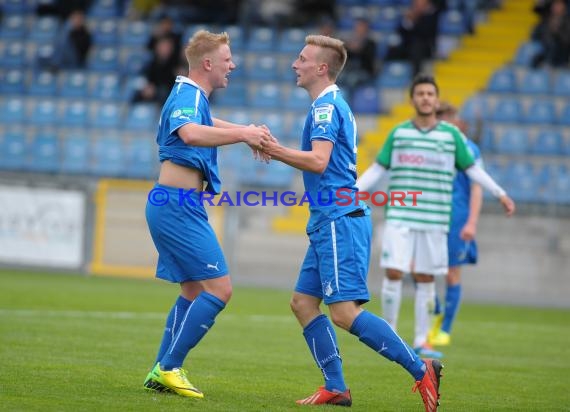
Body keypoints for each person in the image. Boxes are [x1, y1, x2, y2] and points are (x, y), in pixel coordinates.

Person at [260, 35, 443, 412]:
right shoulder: (328, 105)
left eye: (302, 58)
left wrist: (272, 149)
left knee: (343, 313)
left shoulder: (326, 108)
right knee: (302, 303)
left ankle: (419, 366)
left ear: (321, 68)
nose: (295, 64)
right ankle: (337, 387)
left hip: (339, 220)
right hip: (329, 218)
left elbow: (319, 161)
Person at [142, 30, 271, 398]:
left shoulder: (193, 96)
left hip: (179, 204)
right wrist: (244, 135)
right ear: (208, 63)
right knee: (221, 289)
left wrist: (248, 131)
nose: (233, 65)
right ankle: (169, 367)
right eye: (228, 59)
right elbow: (191, 134)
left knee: (194, 288)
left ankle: (160, 368)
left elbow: (208, 124)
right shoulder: (187, 94)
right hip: (176, 205)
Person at [356, 74, 515, 359]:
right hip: (400, 217)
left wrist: (500, 192)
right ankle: (390, 336)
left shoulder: (452, 136)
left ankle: (421, 340)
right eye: (420, 93)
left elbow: (472, 170)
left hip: (434, 220)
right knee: (393, 271)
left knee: (426, 277)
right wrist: (353, 191)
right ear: (412, 100)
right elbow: (379, 169)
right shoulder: (399, 133)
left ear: (436, 99)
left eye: (430, 94)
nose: (426, 98)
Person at [428, 102, 483, 346]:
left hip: (457, 218)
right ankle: (438, 311)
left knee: (452, 273)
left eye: (445, 119)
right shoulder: (432, 148)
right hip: (431, 216)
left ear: (454, 121)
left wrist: (471, 222)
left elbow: (476, 187)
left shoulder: (469, 149)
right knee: (423, 270)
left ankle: (445, 330)